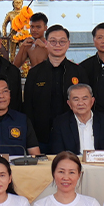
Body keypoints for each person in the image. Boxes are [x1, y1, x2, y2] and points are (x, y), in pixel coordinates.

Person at [22, 24, 86, 153]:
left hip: (72, 135)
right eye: (53, 41)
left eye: (62, 41)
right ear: (46, 43)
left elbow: (86, 104)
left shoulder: (78, 72)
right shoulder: (35, 73)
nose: (58, 45)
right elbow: (28, 107)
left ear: (68, 44)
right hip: (41, 137)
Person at [49, 83, 104, 155]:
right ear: (69, 104)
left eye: (84, 99)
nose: (81, 103)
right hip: (73, 161)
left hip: (100, 161)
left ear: (92, 101)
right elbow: (58, 154)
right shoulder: (60, 123)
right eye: (76, 99)